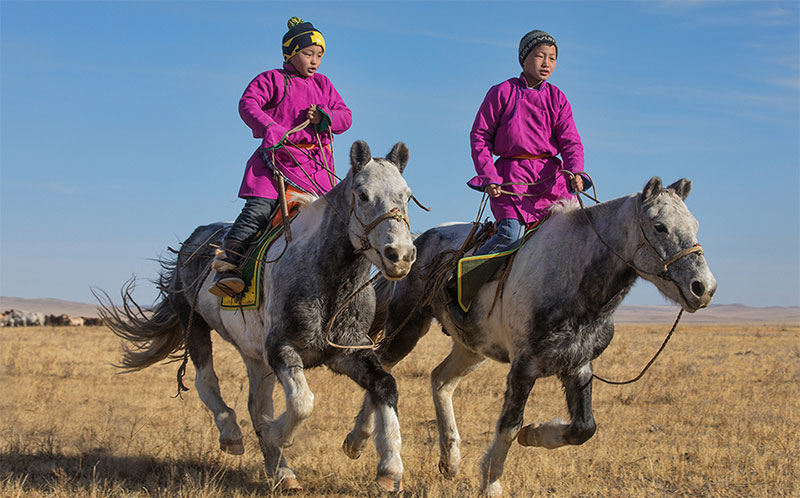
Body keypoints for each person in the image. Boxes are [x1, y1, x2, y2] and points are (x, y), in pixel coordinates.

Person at [448, 29, 588, 324]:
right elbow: (480, 136)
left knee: (574, 238)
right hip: (511, 180)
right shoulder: (502, 92)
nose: (546, 63)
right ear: (524, 58)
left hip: (551, 181)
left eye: (552, 58)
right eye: (540, 56)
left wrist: (576, 171)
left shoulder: (558, 98)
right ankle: (459, 289)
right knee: (511, 236)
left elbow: (571, 141)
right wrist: (489, 176)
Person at [210, 17, 352, 297]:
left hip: (315, 171)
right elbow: (247, 103)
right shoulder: (272, 79)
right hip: (275, 164)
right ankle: (229, 266)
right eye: (308, 53)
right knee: (258, 212)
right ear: (290, 53)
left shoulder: (324, 84)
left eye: (319, 55)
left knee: (337, 223)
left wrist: (326, 117)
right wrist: (270, 127)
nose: (315, 61)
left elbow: (345, 116)